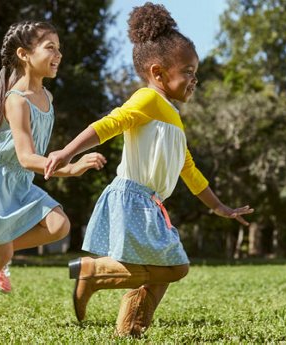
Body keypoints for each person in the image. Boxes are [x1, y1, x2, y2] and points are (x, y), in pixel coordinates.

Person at [44, 3, 253, 337]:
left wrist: (220, 207)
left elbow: (189, 170)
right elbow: (110, 123)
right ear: (158, 73)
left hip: (150, 203)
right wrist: (67, 151)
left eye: (195, 73)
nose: (193, 79)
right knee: (174, 267)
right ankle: (91, 272)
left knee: (168, 268)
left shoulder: (171, 116)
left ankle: (131, 326)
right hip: (133, 197)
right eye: (187, 71)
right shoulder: (148, 99)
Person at [0, 20, 107, 332]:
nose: (58, 54)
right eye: (50, 48)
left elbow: (31, 159)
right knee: (2, 252)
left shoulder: (47, 98)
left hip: (21, 178)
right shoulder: (15, 99)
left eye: (59, 49)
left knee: (59, 225)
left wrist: (65, 166)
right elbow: (25, 155)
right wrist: (71, 167)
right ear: (24, 54)